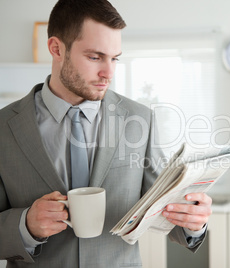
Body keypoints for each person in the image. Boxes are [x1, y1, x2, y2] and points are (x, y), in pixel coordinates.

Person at [0, 0, 211, 267]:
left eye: (114, 58)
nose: (108, 73)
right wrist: (25, 224)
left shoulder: (139, 120)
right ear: (56, 49)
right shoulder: (4, 127)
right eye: (94, 57)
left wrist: (194, 222)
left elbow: (163, 210)